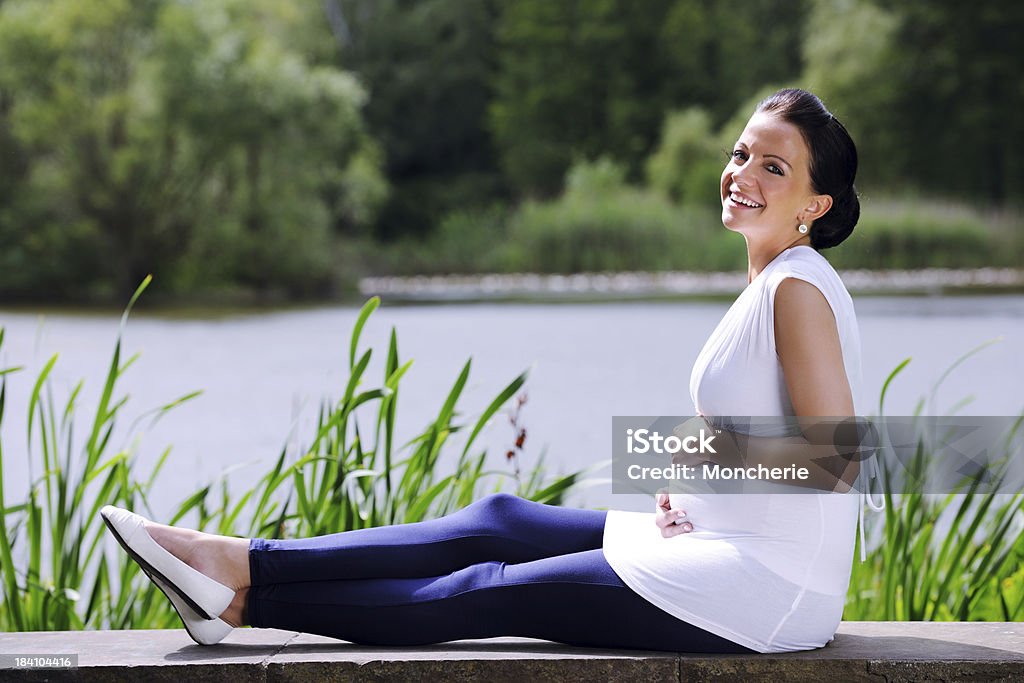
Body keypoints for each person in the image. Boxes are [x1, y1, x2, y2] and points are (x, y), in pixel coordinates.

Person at [102, 88, 864, 653]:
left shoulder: (795, 287)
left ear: (814, 202)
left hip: (764, 589)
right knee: (499, 519)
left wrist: (682, 458)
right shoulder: (774, 280)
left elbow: (835, 459)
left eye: (773, 166)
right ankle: (239, 560)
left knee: (488, 591)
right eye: (739, 154)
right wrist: (687, 469)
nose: (742, 173)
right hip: (721, 542)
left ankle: (239, 600)